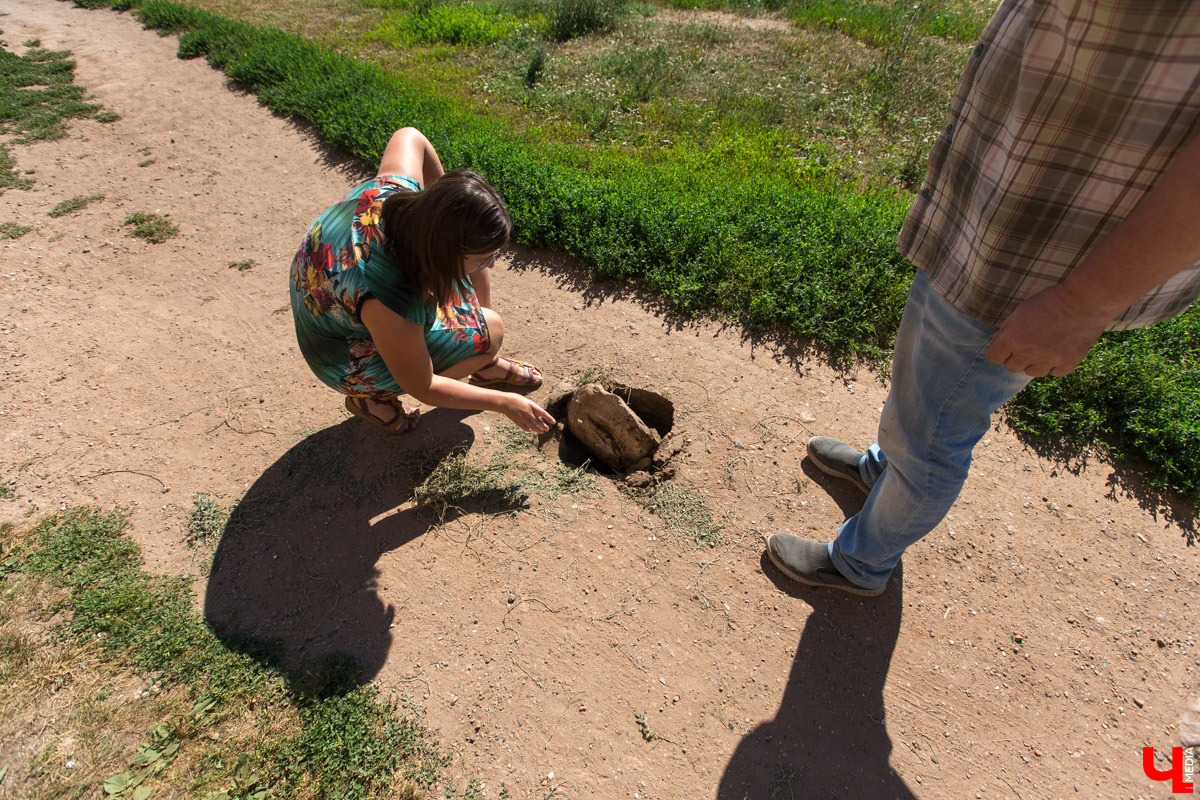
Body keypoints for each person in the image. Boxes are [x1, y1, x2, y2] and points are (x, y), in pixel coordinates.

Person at [766, 1, 1200, 596]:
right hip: (994, 226)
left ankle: (861, 563)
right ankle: (884, 469)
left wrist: (1083, 304)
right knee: (918, 383)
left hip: (1048, 262)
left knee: (935, 435)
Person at [290, 127, 555, 436]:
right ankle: (371, 397)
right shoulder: (390, 295)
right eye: (484, 257)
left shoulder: (400, 194)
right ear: (442, 250)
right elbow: (423, 386)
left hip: (327, 300)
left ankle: (483, 361)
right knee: (489, 332)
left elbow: (410, 136)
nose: (493, 264)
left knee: (482, 327)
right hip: (338, 357)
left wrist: (446, 201)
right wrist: (504, 402)